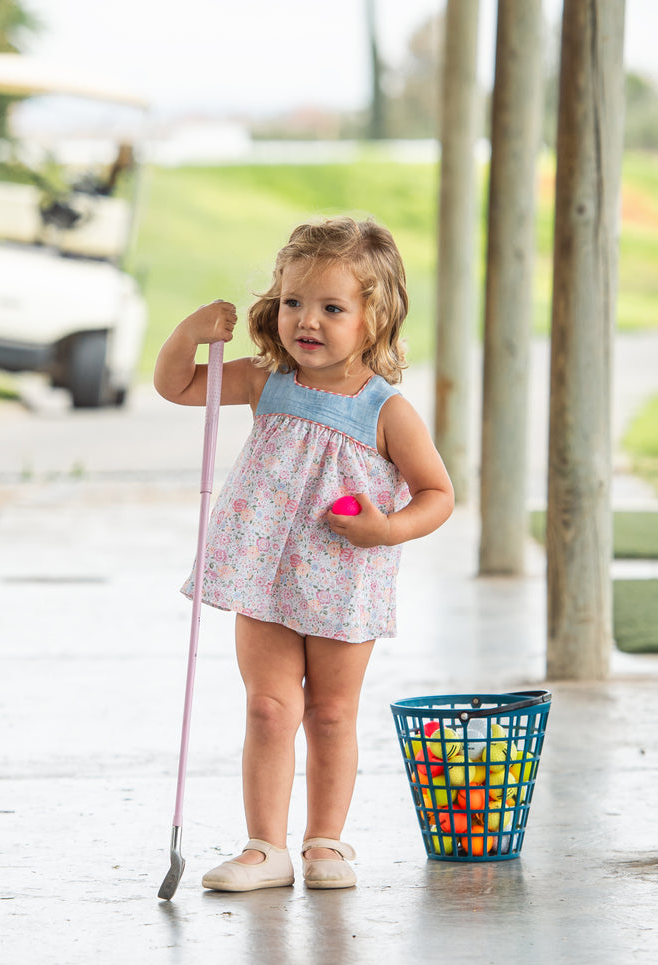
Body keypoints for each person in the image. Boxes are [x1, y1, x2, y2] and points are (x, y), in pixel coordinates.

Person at [153, 216, 454, 892]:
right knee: (268, 707)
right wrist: (187, 334)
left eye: (330, 307)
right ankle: (265, 845)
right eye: (292, 302)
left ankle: (325, 841)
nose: (305, 320)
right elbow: (176, 385)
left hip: (344, 577)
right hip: (262, 573)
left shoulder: (387, 410)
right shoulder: (267, 381)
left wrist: (388, 528)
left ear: (374, 318)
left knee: (329, 712)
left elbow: (437, 493)